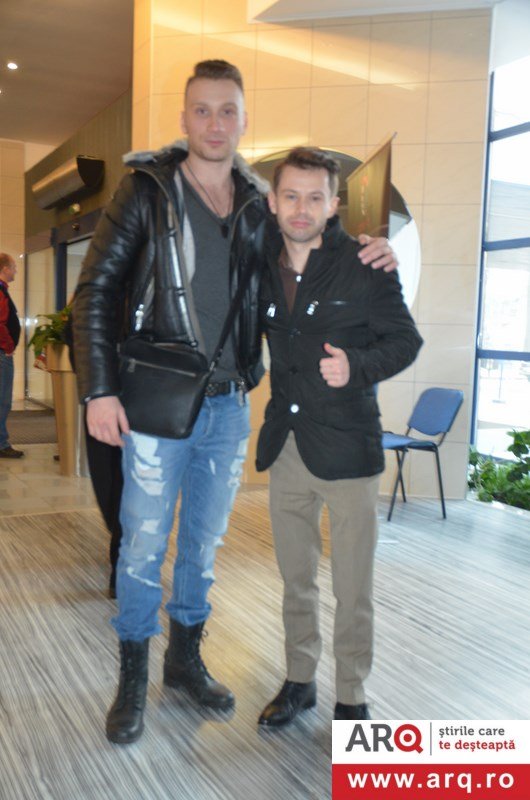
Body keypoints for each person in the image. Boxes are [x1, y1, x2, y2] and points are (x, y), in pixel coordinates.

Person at [73, 60, 398, 745]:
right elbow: (95, 290)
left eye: (228, 111)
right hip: (156, 404)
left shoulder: (257, 202)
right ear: (184, 118)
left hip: (227, 406)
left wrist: (371, 250)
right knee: (142, 545)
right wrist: (99, 388)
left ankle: (184, 661)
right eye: (202, 110)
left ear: (245, 120)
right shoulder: (146, 190)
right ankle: (133, 676)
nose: (215, 123)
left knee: (202, 544)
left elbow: (312, 239)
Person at [256, 148, 423, 726]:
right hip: (287, 446)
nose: (301, 208)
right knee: (295, 579)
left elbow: (405, 341)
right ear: (274, 202)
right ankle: (299, 680)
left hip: (349, 449)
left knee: (353, 587)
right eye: (291, 196)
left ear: (333, 205)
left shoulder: (366, 264)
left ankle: (352, 694)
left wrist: (357, 365)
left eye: (315, 197)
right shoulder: (260, 262)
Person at [0, 253, 24, 459]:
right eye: (13, 267)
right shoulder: (0, 291)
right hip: (1, 354)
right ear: (5, 269)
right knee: (2, 401)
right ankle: (1, 444)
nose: (16, 270)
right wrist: (8, 346)